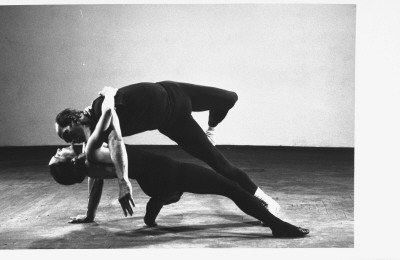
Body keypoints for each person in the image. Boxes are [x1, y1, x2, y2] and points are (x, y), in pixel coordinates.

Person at [49, 104, 309, 238]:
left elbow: (94, 185)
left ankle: (160, 200)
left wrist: (89, 215)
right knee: (229, 187)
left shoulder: (90, 163)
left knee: (176, 192)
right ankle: (278, 226)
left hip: (155, 179)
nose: (59, 148)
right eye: (58, 155)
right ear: (70, 164)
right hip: (165, 172)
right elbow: (107, 114)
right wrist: (108, 94)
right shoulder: (92, 152)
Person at [55, 81, 280, 217]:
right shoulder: (99, 134)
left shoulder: (96, 107)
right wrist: (89, 214)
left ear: (73, 120)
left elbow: (108, 116)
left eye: (65, 133)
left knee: (230, 98)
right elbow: (96, 172)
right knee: (218, 163)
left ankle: (211, 129)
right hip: (172, 121)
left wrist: (110, 95)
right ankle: (264, 199)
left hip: (174, 90)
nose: (67, 141)